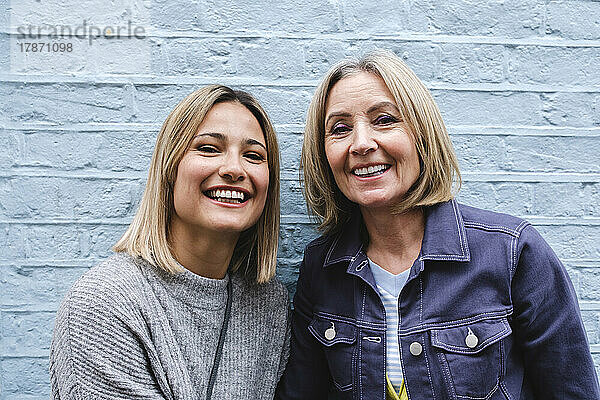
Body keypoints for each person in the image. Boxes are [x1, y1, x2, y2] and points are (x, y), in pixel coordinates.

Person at [276, 51, 599, 400]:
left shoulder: (512, 253)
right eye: (340, 129)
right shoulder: (322, 268)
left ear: (422, 134)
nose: (361, 143)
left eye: (384, 120)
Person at [50, 85, 290, 400]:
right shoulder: (105, 304)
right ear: (169, 170)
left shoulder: (270, 305)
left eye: (253, 155)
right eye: (208, 148)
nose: (234, 169)